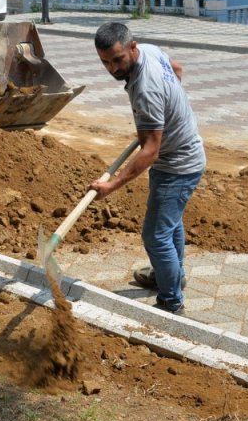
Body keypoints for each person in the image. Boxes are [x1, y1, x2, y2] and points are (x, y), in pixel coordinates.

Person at [88, 22, 206, 316]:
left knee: (155, 236)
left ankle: (170, 301)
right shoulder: (151, 52)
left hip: (177, 165)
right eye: (105, 62)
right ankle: (171, 275)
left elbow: (150, 150)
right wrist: (164, 116)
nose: (113, 68)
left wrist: (111, 185)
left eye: (118, 60)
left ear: (132, 47)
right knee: (170, 224)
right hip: (182, 154)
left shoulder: (145, 89)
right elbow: (177, 69)